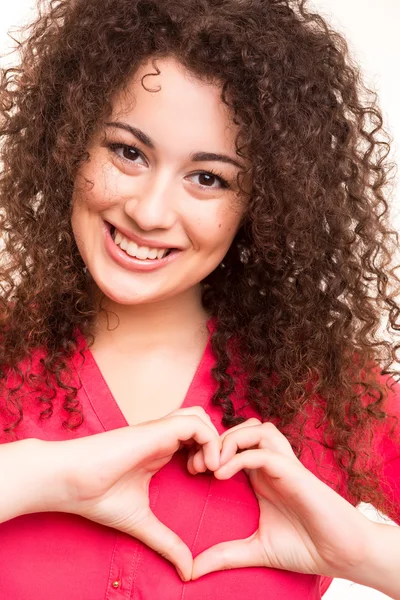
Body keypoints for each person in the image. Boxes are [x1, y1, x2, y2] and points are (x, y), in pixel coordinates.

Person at [0, 0, 399, 598]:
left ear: (263, 203)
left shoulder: (334, 395)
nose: (149, 211)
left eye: (208, 178)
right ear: (69, 143)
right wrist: (36, 478)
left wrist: (363, 552)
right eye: (128, 152)